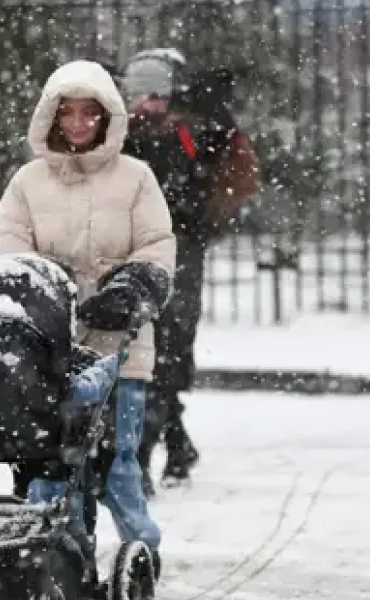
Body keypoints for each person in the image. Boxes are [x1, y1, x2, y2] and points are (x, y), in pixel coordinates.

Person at [0, 59, 176, 570]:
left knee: (119, 464)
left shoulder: (136, 179)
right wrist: (45, 287)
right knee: (52, 467)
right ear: (50, 117)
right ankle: (64, 559)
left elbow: (157, 246)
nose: (76, 124)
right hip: (51, 349)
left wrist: (134, 285)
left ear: (106, 117)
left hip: (121, 347)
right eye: (66, 113)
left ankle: (142, 552)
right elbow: (8, 252)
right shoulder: (27, 184)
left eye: (88, 113)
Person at [119, 49, 261, 496]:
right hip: (131, 252)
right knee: (145, 348)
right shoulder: (117, 134)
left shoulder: (193, 131)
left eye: (155, 95)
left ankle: (144, 455)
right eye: (137, 95)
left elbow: (234, 177)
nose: (146, 105)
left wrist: (201, 218)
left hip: (178, 252)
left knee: (166, 345)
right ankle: (174, 444)